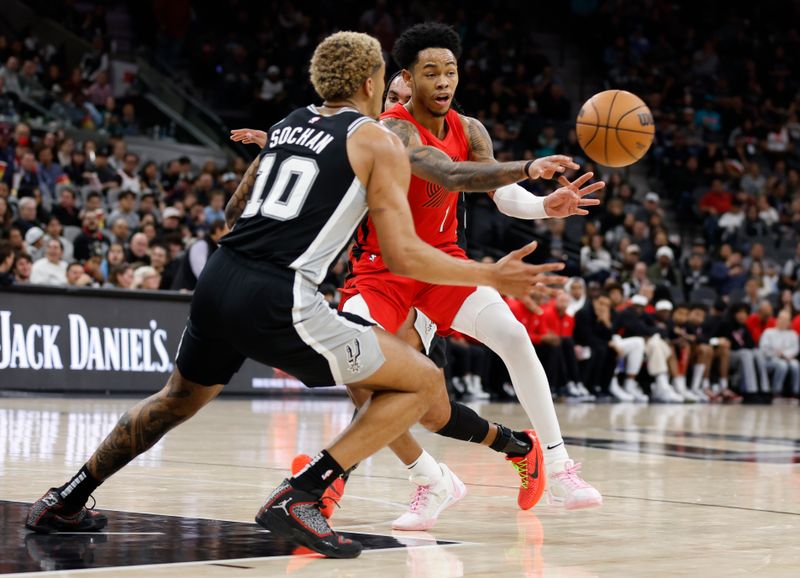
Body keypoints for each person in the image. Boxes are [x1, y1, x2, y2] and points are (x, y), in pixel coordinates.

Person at [26, 31, 560, 559]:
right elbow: (404, 254)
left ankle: (64, 499)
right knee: (421, 381)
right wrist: (488, 274)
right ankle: (303, 493)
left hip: (219, 277)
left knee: (174, 401)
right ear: (374, 81)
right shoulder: (378, 138)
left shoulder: (286, 125)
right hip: (279, 295)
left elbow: (235, 214)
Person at [233, 23, 604, 525]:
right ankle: (431, 479)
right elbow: (449, 175)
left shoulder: (471, 130)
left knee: (513, 336)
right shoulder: (395, 128)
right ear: (406, 77)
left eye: (450, 71)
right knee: (364, 380)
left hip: (441, 264)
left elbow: (494, 191)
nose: (443, 81)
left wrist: (544, 203)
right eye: (431, 72)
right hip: (378, 269)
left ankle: (558, 466)